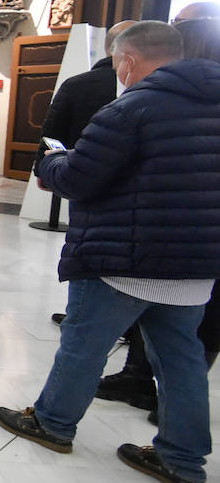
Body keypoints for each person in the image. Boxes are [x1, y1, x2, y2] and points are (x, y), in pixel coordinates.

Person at [0, 21, 220, 483]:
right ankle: (183, 461)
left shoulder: (131, 108)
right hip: (196, 263)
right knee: (182, 361)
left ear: (129, 60)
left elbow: (79, 178)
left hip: (124, 257)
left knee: (84, 345)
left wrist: (52, 163)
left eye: (119, 61)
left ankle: (54, 423)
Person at [93, 7, 220, 418]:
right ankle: (155, 401)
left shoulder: (153, 104)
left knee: (185, 341)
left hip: (177, 238)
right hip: (181, 237)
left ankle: (57, 419)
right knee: (178, 340)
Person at [39, 19, 136, 328]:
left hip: (82, 178)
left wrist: (46, 169)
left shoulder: (77, 84)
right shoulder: (150, 90)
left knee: (84, 244)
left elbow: (52, 134)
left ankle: (83, 314)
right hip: (134, 188)